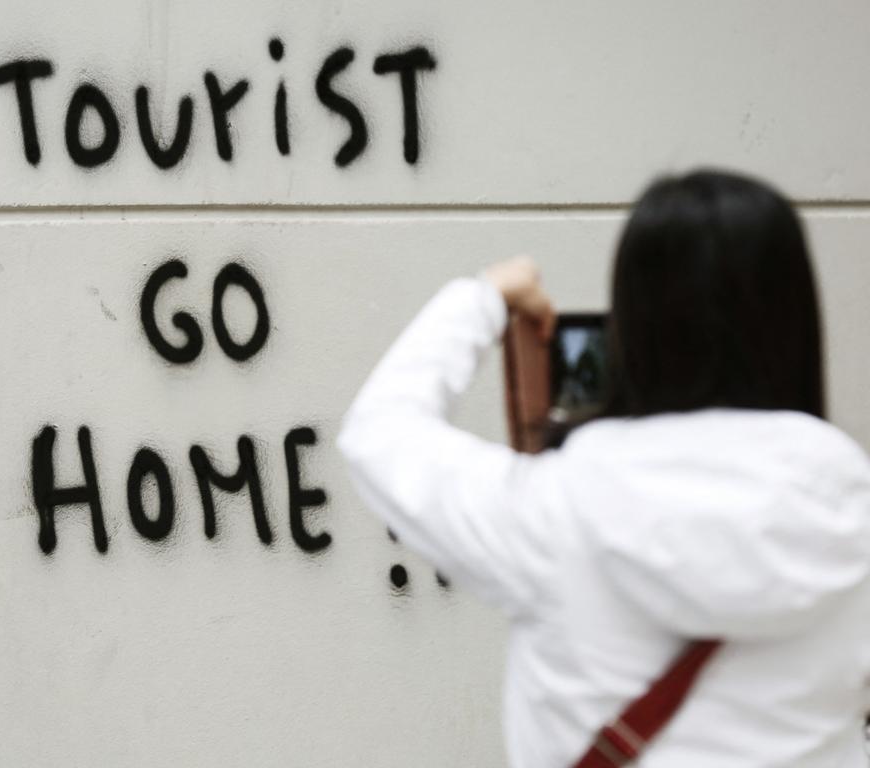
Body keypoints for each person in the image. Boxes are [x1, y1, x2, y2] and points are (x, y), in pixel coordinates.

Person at [336, 170, 870, 767]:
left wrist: (487, 296)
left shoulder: (553, 512)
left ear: (633, 329)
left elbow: (380, 434)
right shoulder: (854, 510)